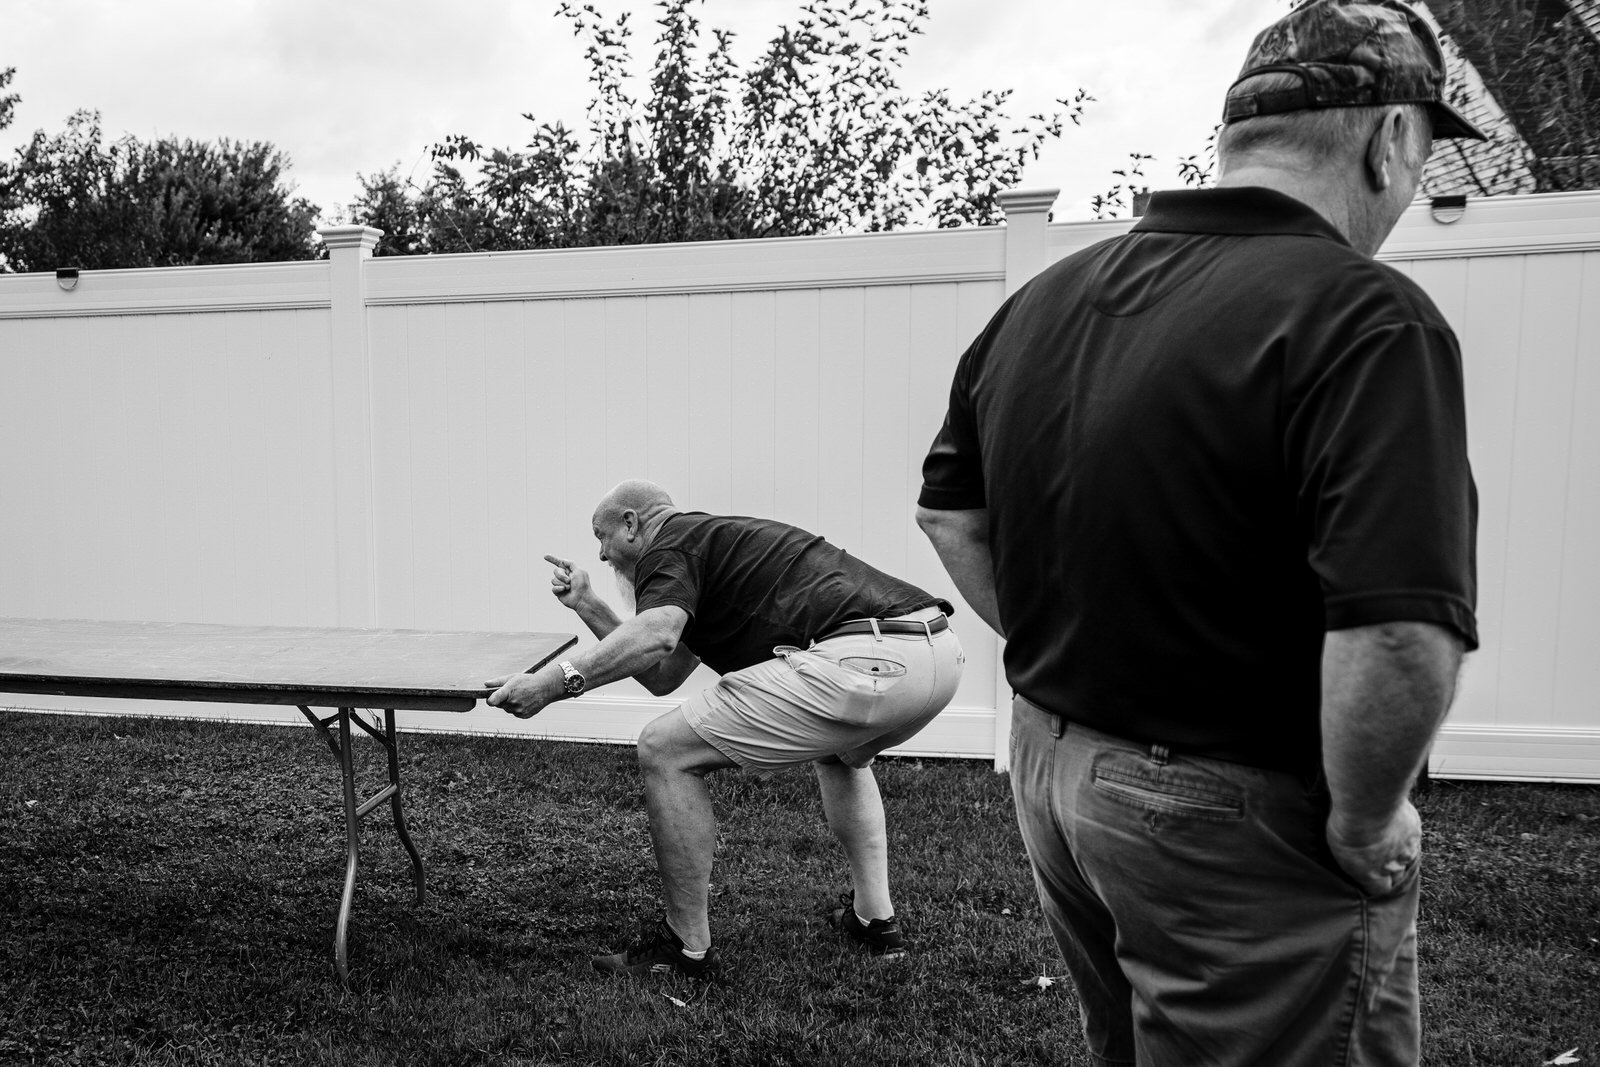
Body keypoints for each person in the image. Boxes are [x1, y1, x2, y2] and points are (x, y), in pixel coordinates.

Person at [915, 1, 1481, 1063]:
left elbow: (950, 511)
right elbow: (1401, 629)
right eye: (1418, 159)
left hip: (1052, 769)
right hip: (1229, 813)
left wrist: (1074, 652)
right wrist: (1364, 819)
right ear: (1391, 138)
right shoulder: (1364, 315)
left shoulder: (1044, 299)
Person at [486, 479, 964, 978]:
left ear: (632, 523)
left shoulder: (670, 544)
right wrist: (586, 603)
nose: (602, 555)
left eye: (601, 537)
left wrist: (548, 683)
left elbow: (656, 636)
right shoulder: (713, 552)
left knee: (663, 749)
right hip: (935, 656)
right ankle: (875, 918)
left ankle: (685, 947)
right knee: (841, 753)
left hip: (859, 661)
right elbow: (661, 672)